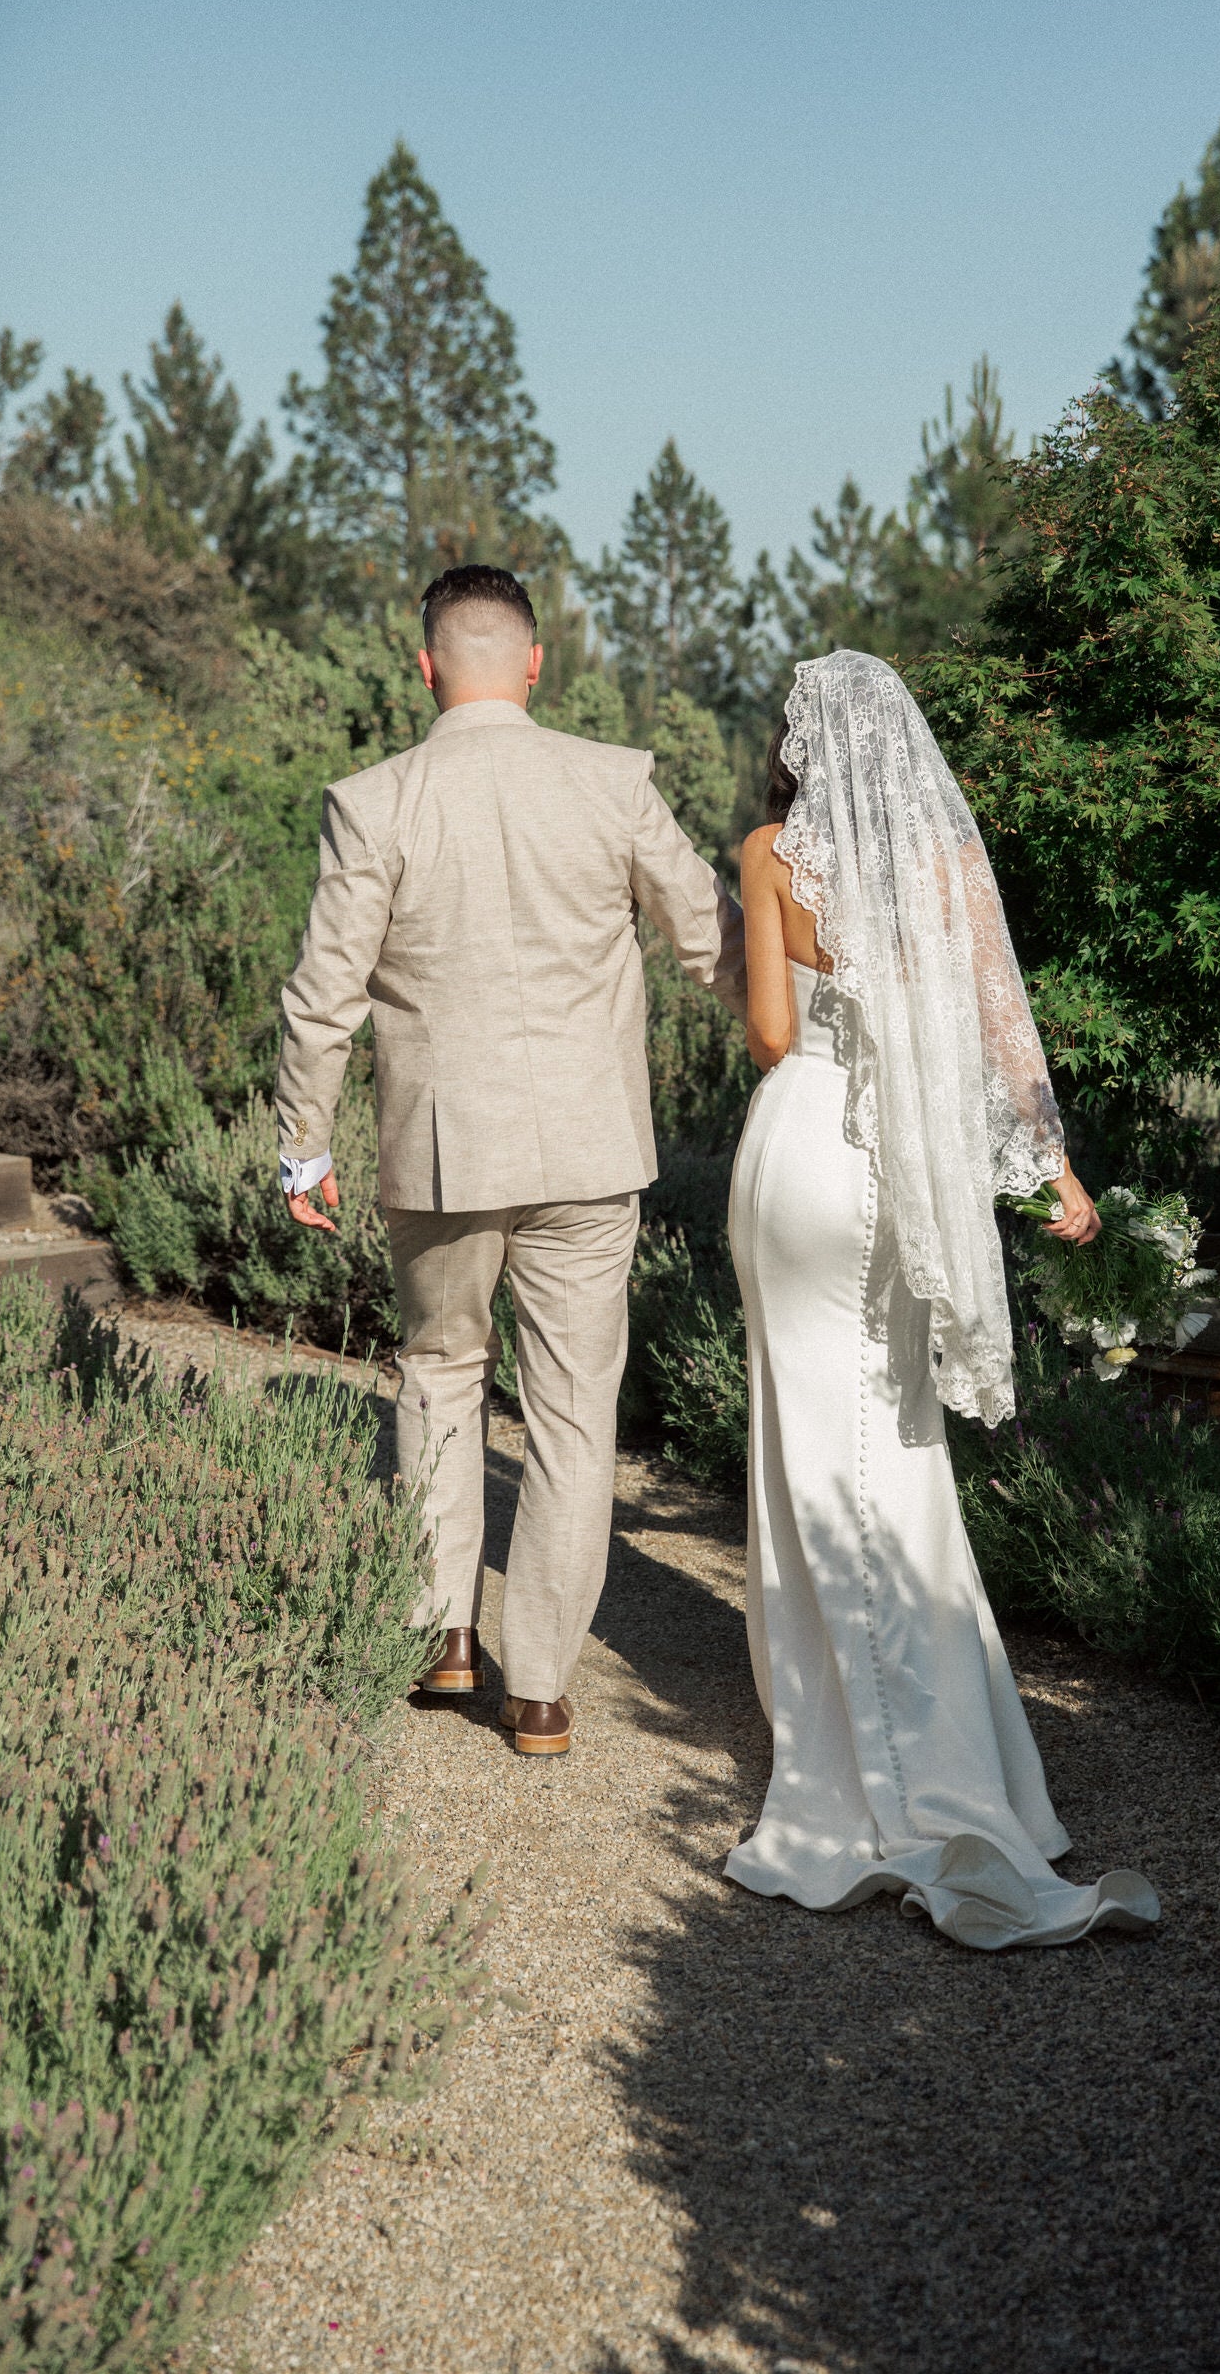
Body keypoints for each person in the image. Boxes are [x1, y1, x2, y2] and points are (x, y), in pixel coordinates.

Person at [725, 650, 1159, 1949]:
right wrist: (1056, 1175)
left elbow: (765, 1035)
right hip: (884, 1173)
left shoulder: (767, 856)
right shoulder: (941, 864)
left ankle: (855, 1775)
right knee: (886, 1450)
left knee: (807, 1458)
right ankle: (942, 1768)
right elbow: (995, 1040)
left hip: (787, 1152)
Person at [275, 564, 746, 1755]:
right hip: (590, 1149)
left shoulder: (375, 800)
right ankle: (539, 1687)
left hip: (442, 1153)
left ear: (425, 665)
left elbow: (321, 999)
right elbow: (714, 942)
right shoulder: (613, 780)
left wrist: (303, 1145)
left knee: (440, 1371)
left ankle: (442, 1637)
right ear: (537, 661)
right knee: (577, 1413)